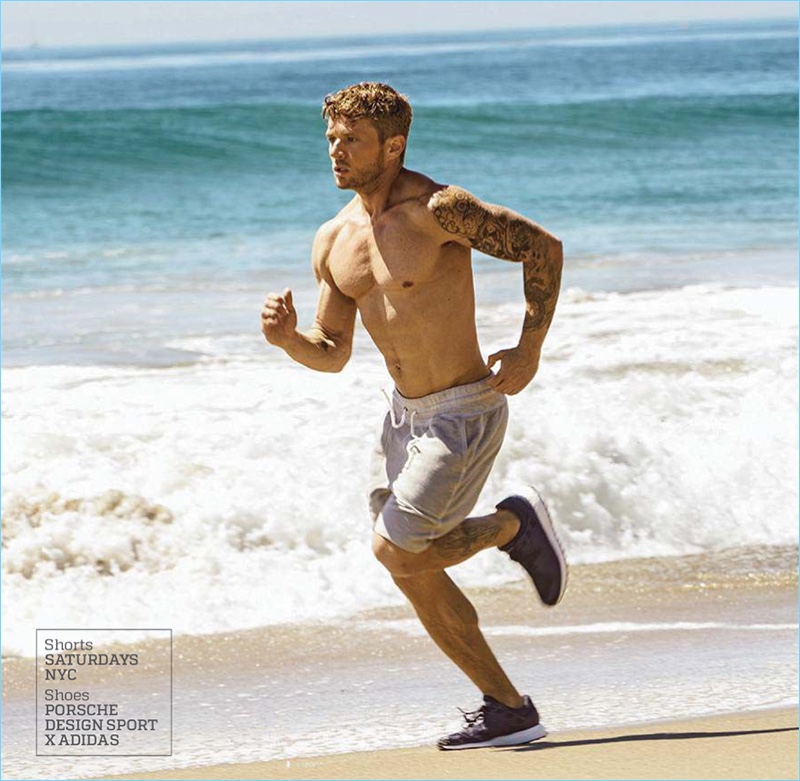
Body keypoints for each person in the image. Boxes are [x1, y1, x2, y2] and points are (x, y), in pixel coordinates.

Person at [261, 82, 566, 750]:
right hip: (403, 420)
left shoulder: (437, 210)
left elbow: (541, 247)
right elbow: (333, 351)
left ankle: (512, 524)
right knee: (409, 565)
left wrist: (529, 347)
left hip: (464, 410)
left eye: (353, 140)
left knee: (395, 548)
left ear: (393, 145)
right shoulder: (333, 239)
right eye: (332, 139)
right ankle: (507, 706)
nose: (337, 152)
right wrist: (289, 341)